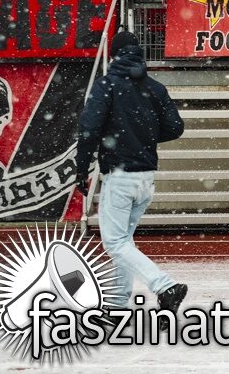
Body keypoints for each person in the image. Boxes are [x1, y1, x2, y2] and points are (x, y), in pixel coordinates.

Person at [75, 30, 187, 314]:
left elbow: (89, 129)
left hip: (120, 175)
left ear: (113, 55)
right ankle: (116, 303)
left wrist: (81, 168)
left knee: (114, 243)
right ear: (139, 54)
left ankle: (165, 286)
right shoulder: (155, 87)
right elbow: (175, 127)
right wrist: (142, 138)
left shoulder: (107, 86)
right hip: (146, 178)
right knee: (123, 241)